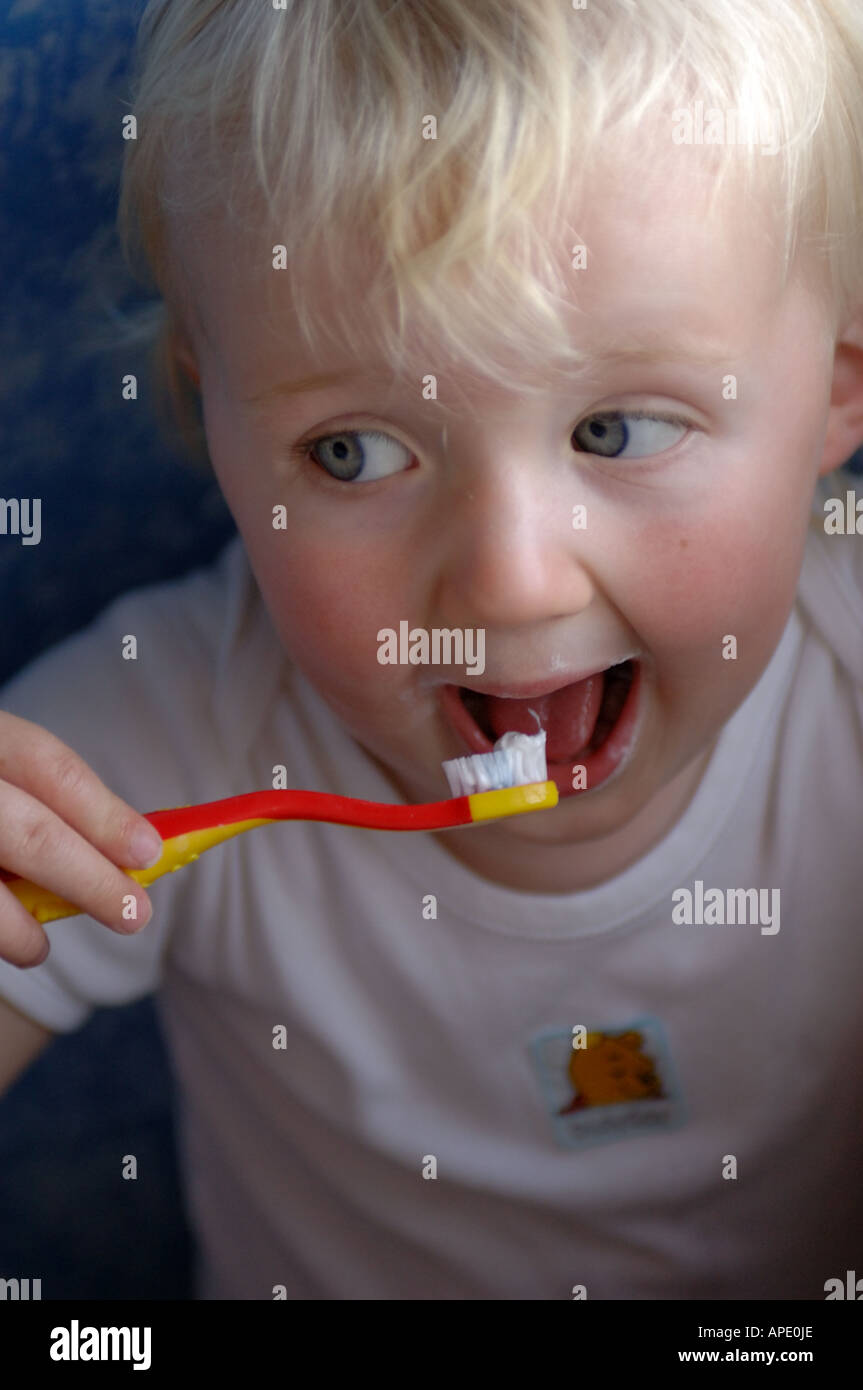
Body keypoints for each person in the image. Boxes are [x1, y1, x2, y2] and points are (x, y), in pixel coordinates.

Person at [1, 0, 862, 1299]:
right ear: (209, 416)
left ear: (840, 386)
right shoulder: (162, 752)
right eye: (355, 451)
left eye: (621, 430)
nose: (511, 584)